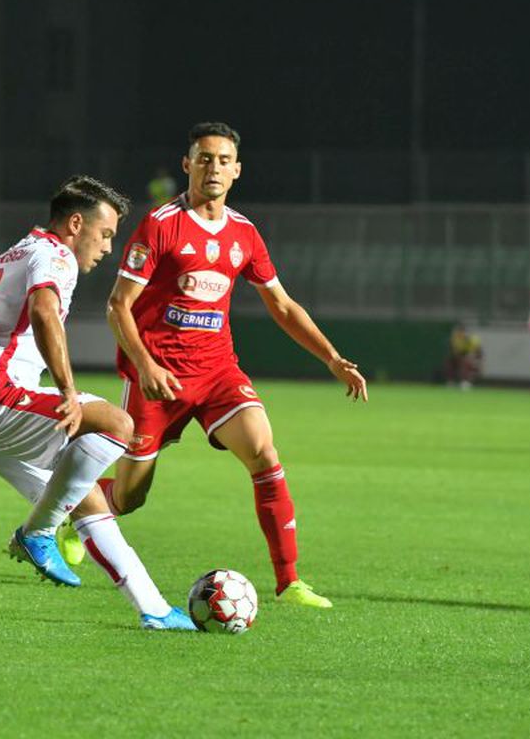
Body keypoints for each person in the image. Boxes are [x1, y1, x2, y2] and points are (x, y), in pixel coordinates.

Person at [105, 122, 368, 609]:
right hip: (158, 378)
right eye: (205, 158)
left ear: (237, 170)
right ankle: (80, 509)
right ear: (187, 165)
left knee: (264, 452)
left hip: (217, 373)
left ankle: (289, 581)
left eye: (223, 160)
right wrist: (145, 366)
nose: (214, 168)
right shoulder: (160, 224)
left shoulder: (244, 233)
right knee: (129, 498)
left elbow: (282, 306)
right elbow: (118, 305)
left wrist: (332, 358)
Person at [0, 175, 196, 631]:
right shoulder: (55, 255)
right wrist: (67, 392)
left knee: (86, 497)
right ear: (76, 224)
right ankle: (36, 533)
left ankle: (154, 609)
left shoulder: (14, 253)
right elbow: (43, 312)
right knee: (117, 424)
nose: (108, 247)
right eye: (105, 234)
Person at [445, 323, 482, 389]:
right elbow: (454, 350)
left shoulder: (473, 338)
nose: (460, 333)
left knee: (465, 362)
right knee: (449, 362)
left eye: (461, 332)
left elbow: (477, 351)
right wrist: (457, 356)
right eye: (459, 331)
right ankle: (451, 382)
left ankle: (466, 382)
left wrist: (477, 361)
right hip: (460, 355)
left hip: (472, 356)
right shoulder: (455, 338)